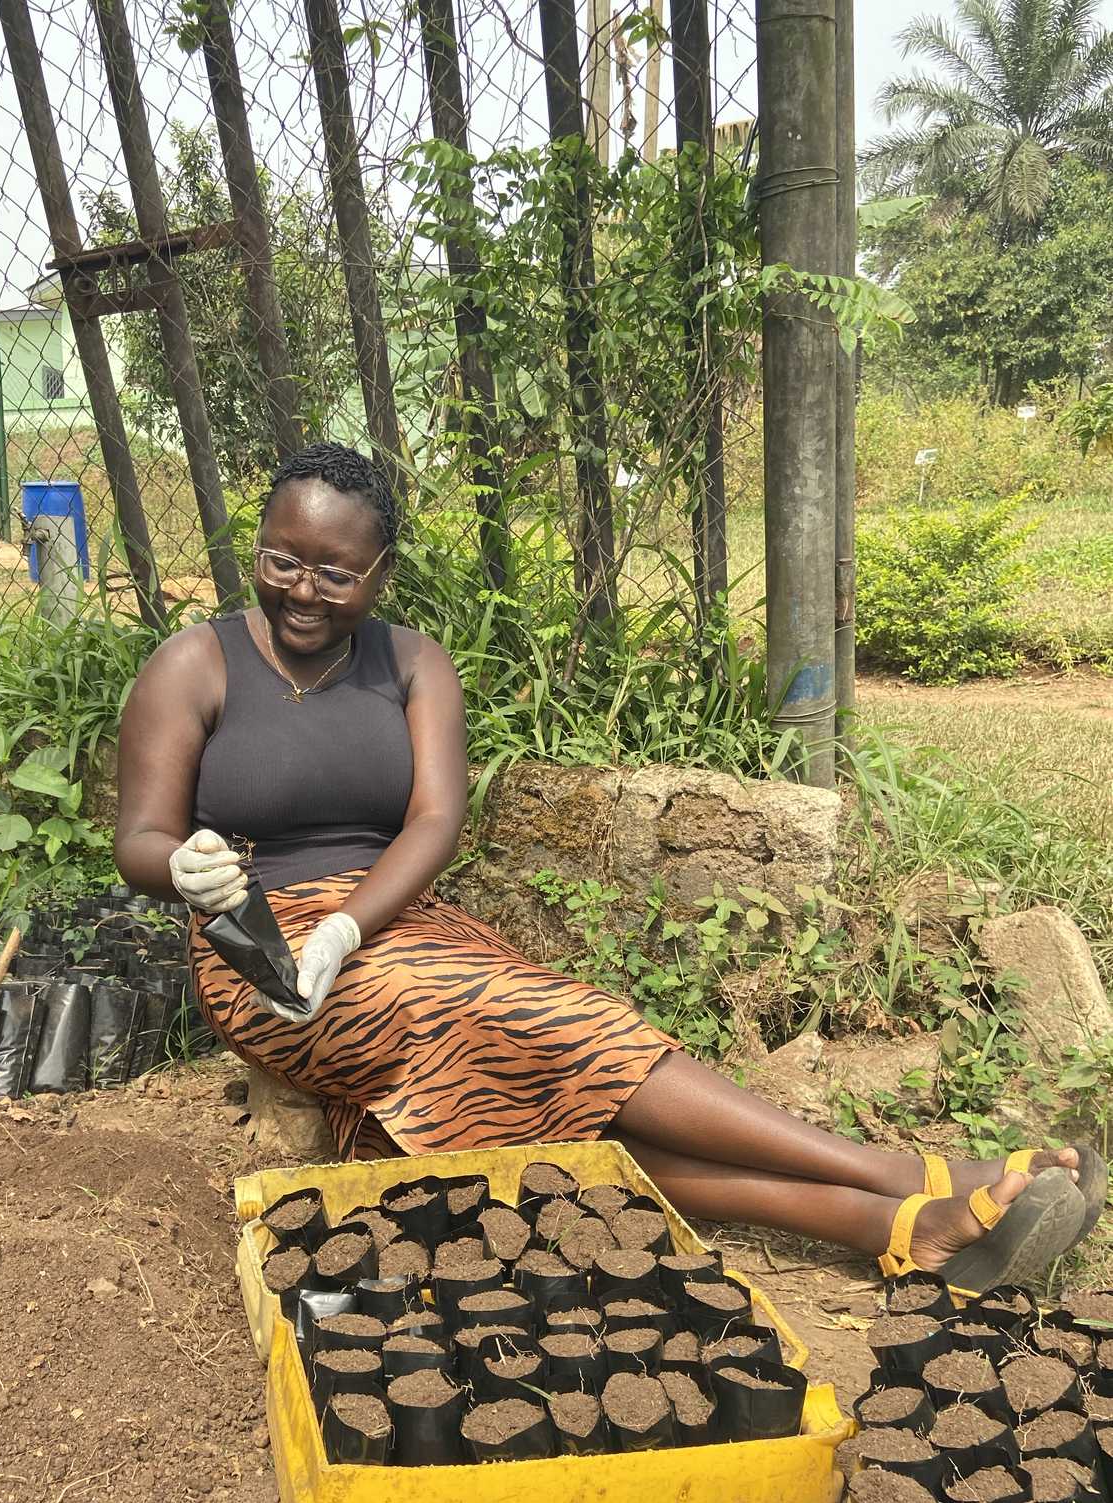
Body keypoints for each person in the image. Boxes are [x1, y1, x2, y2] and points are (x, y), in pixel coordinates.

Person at [115, 442, 1102, 1290]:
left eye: (338, 575)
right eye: (282, 560)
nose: (303, 591)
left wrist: (349, 927)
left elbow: (434, 821)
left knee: (551, 1107)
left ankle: (889, 1230)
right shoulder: (194, 665)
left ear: (380, 574)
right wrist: (193, 870)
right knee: (551, 1026)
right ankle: (899, 1173)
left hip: (397, 926)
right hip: (264, 961)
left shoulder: (414, 664)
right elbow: (141, 841)